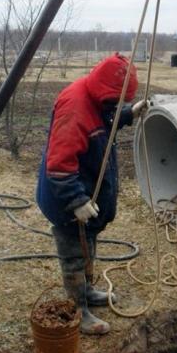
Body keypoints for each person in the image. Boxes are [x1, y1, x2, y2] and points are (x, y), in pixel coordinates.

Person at [36, 53, 147, 335]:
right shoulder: (75, 107)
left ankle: (87, 290)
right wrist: (77, 201)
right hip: (67, 202)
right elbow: (59, 164)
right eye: (115, 102)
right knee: (74, 252)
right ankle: (78, 308)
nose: (114, 106)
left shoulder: (96, 98)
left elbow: (104, 119)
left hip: (88, 194)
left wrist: (128, 113)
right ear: (104, 91)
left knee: (88, 244)